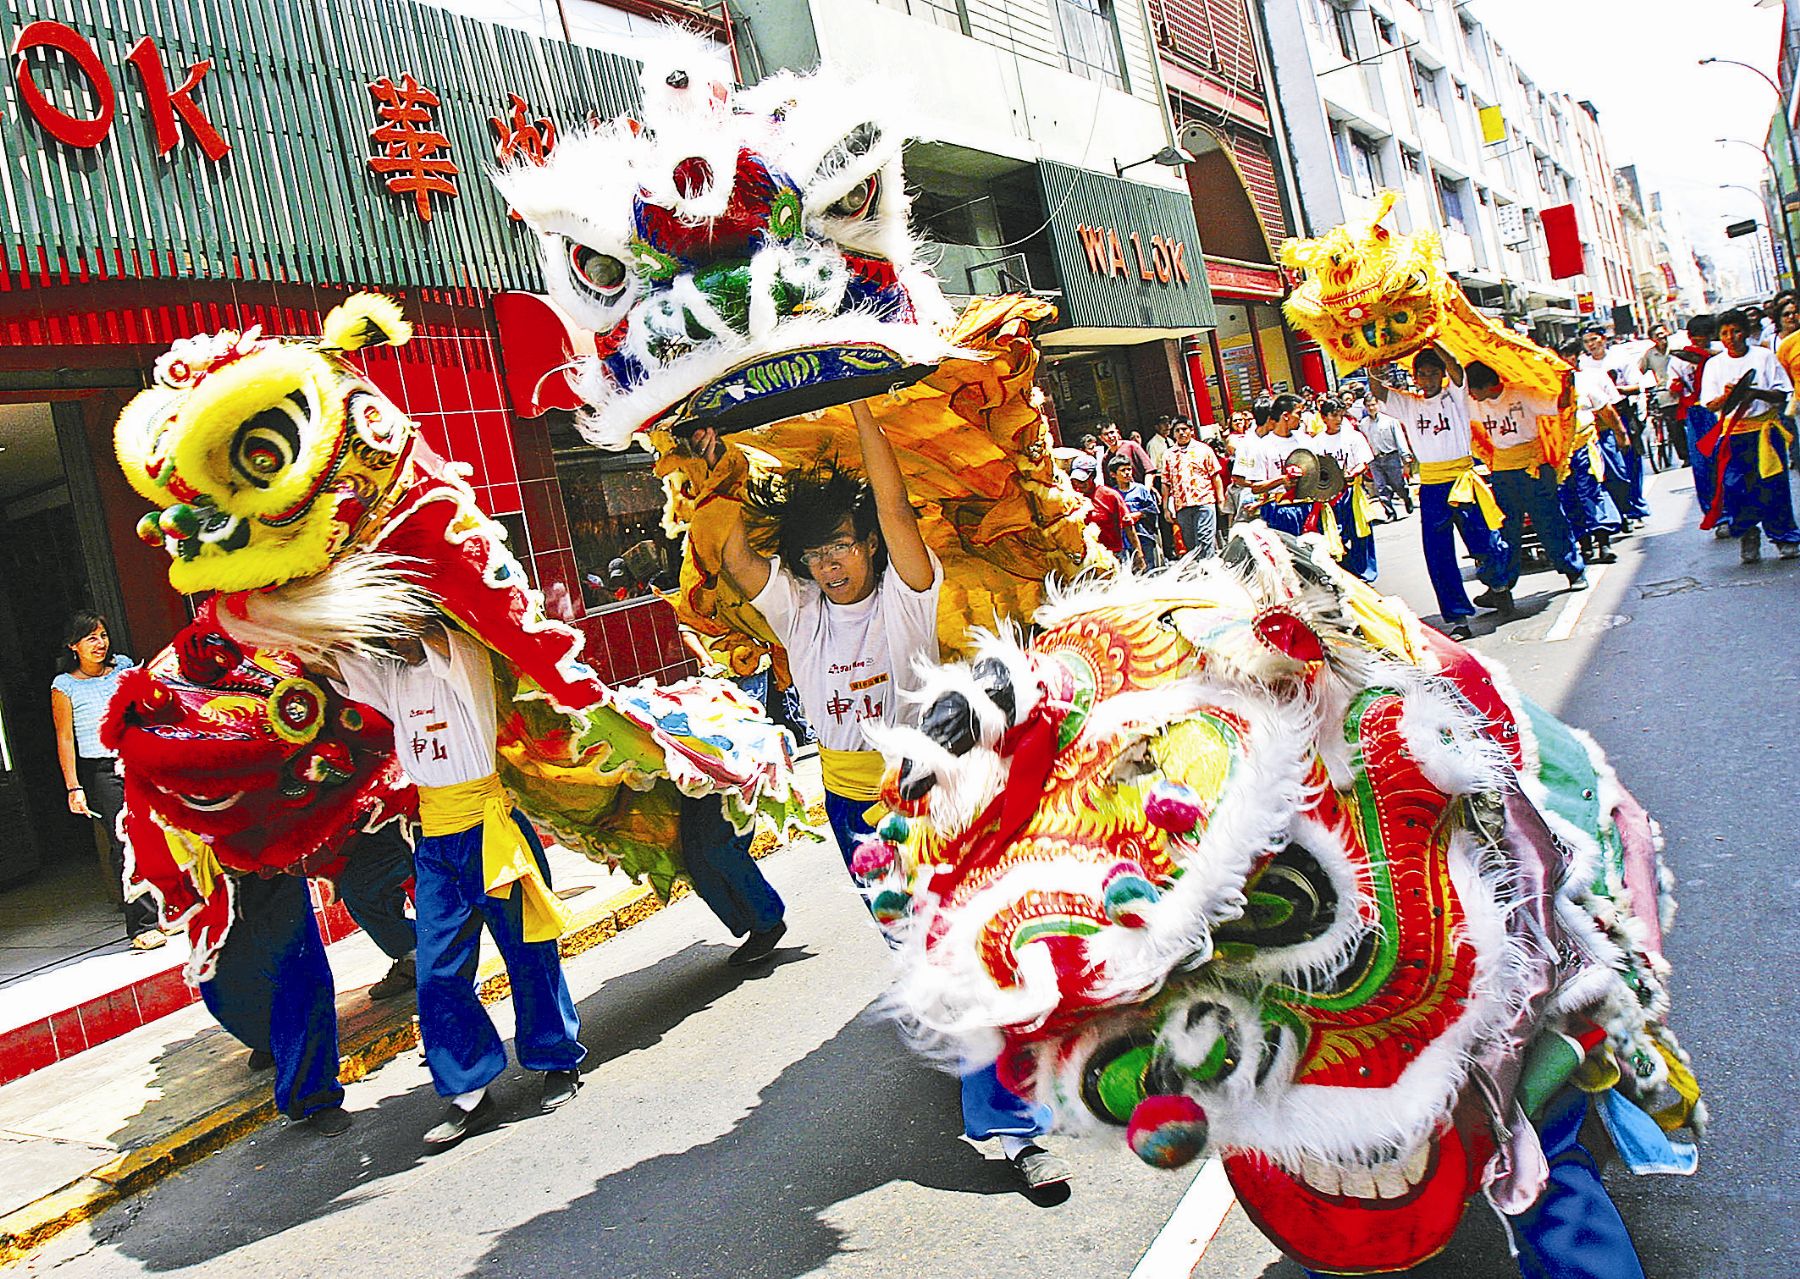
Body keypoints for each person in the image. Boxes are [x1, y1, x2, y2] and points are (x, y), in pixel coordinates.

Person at [699, 400, 1071, 1192]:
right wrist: (713, 457)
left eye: (841, 547)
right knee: (920, 948)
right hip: (849, 811)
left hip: (928, 796)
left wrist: (856, 399)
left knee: (961, 947)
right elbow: (732, 554)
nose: (831, 567)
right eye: (816, 556)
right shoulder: (796, 609)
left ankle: (1013, 1127)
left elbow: (894, 502)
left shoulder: (907, 594)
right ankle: (992, 1040)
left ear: (867, 542)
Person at [326, 623, 586, 1148]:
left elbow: (439, 632)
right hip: (435, 842)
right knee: (438, 970)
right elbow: (335, 665)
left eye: (394, 623)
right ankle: (469, 1091)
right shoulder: (390, 674)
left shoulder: (461, 654)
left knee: (528, 951)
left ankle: (556, 1058)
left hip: (492, 830)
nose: (387, 637)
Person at [1373, 347, 1513, 640]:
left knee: (1485, 541)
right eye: (1421, 374)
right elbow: (1379, 391)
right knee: (1439, 555)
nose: (1427, 379)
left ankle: (1499, 584)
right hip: (1432, 485)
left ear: (1442, 374)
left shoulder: (1455, 397)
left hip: (1463, 480)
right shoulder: (1409, 405)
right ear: (1415, 377)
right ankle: (1457, 617)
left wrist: (1431, 338)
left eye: (1433, 372)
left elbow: (1457, 369)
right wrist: (1371, 363)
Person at [51, 611, 162, 949]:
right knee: (124, 840)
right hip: (101, 772)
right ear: (74, 646)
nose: (100, 644)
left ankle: (168, 912)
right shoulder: (64, 686)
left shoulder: (125, 668)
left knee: (156, 834)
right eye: (90, 638)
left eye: (102, 635)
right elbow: (65, 738)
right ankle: (142, 926)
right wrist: (74, 787)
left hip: (137, 760)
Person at [1464, 360, 1588, 593]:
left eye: (1473, 389)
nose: (1470, 394)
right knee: (1504, 528)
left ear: (1488, 386)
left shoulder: (1522, 394)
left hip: (1533, 468)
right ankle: (1502, 584)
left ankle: (1574, 570)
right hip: (1502, 470)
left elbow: (1559, 404)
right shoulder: (1474, 403)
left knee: (1549, 521)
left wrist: (1566, 382)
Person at [1698, 306, 1800, 562]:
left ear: (1745, 332)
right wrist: (1728, 395)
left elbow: (1781, 393)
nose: (1730, 337)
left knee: (1773, 486)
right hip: (1733, 434)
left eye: (1735, 331)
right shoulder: (1714, 364)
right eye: (1725, 333)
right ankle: (1748, 535)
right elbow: (1710, 403)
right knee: (1736, 488)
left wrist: (1755, 393)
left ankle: (1784, 536)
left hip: (1764, 431)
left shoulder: (1764, 357)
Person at [1556, 337, 1624, 568]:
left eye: (1570, 356)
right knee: (1570, 497)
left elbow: (1606, 409)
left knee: (1591, 492)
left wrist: (1621, 433)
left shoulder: (1586, 380)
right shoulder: (1546, 385)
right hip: (1560, 453)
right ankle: (1584, 546)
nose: (1566, 361)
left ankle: (1604, 544)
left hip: (1585, 446)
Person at [1579, 328, 1650, 527]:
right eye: (1586, 342)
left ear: (1603, 339)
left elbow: (1638, 385)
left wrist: (1611, 391)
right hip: (1596, 419)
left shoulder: (1620, 359)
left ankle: (1636, 507)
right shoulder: (1583, 365)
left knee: (1629, 462)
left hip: (1621, 411)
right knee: (1606, 468)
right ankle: (1620, 511)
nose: (1591, 345)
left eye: (1594, 339)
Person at [1314, 397, 1378, 581]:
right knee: (1335, 535)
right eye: (1334, 415)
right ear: (1324, 418)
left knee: (1361, 533)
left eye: (1341, 415)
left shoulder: (1353, 437)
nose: (1338, 419)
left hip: (1352, 492)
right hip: (1329, 496)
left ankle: (1365, 572)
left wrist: (1353, 472)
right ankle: (1344, 572)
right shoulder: (1317, 442)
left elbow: (1363, 462)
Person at [1667, 315, 1719, 521]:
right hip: (1696, 412)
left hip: (1718, 409)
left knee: (1724, 461)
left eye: (1704, 338)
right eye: (1695, 338)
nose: (1700, 341)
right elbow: (1673, 386)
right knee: (1701, 464)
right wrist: (1676, 387)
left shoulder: (1720, 353)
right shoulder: (1680, 358)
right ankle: (1715, 513)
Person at [1240, 393, 1313, 537]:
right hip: (1280, 509)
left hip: (1308, 506)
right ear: (1286, 415)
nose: (1301, 418)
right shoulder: (1262, 446)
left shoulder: (1305, 441)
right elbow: (1256, 487)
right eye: (1298, 413)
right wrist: (1281, 480)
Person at [1159, 418, 1225, 560]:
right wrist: (1165, 508)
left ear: (1191, 431)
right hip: (1182, 506)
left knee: (1205, 539)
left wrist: (1220, 499)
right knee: (1190, 545)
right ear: (1173, 434)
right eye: (1177, 430)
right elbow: (1165, 483)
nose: (1181, 433)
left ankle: (1209, 572)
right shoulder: (1168, 455)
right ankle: (1199, 573)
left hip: (1204, 501)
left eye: (1184, 429)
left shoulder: (1204, 450)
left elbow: (1215, 476)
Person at [1071, 454, 1142, 569]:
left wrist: (1138, 555)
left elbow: (1128, 527)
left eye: (1083, 481)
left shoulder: (1110, 496)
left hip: (1111, 556)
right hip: (1083, 558)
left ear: (1093, 476)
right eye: (1076, 481)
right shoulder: (1071, 498)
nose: (1079, 485)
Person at [1358, 391, 1414, 518]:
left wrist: (1405, 456)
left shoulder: (1390, 421)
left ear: (1378, 404)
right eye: (1368, 405)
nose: (1371, 408)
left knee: (1398, 484)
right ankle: (1390, 512)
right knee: (1381, 487)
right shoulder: (1363, 424)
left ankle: (1405, 497)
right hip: (1375, 460)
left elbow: (1400, 439)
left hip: (1391, 456)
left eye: (1373, 404)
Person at [1636, 324, 1682, 471]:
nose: (1662, 337)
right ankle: (1685, 455)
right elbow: (1639, 371)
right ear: (1652, 339)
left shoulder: (1677, 349)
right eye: (1658, 335)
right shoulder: (1649, 355)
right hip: (1665, 393)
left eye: (1663, 333)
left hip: (1683, 390)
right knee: (1673, 426)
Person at [1108, 455, 1163, 570]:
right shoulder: (1112, 494)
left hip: (1143, 535)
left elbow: (1153, 509)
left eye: (1129, 469)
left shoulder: (1140, 490)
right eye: (1123, 470)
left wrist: (1138, 515)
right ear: (1113, 474)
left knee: (1148, 569)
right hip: (1123, 540)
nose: (1127, 473)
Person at [1099, 421, 1155, 487]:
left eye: (1112, 432)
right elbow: (1108, 484)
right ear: (1101, 438)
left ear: (1117, 432)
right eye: (1106, 434)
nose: (1110, 436)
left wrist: (1146, 491)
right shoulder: (1106, 459)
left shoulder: (1132, 446)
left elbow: (1149, 471)